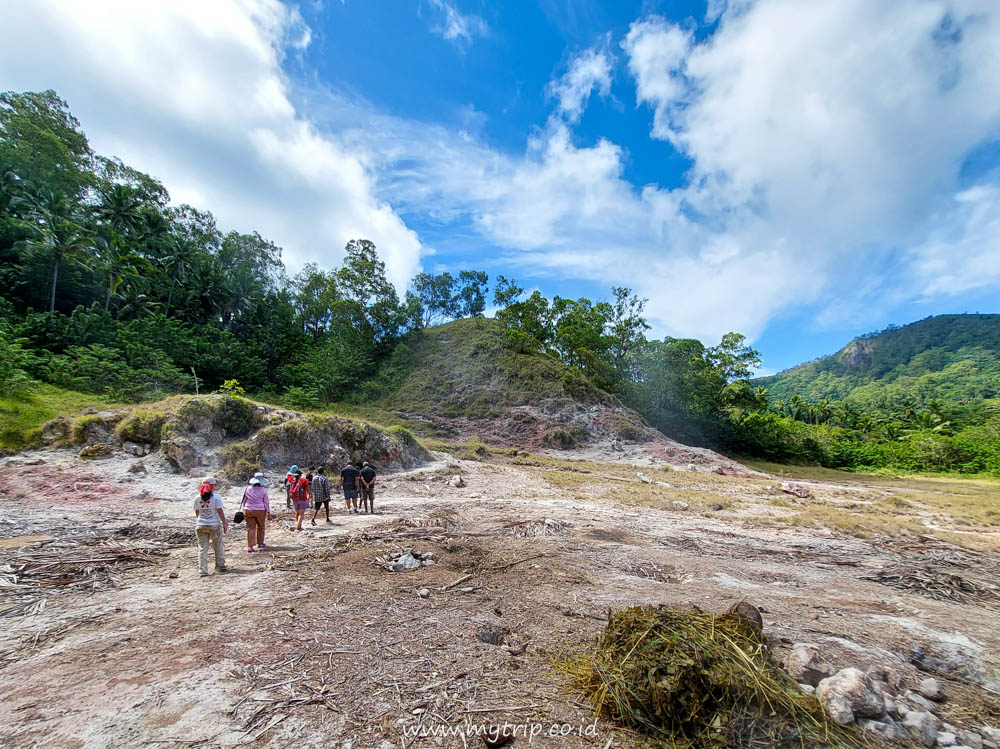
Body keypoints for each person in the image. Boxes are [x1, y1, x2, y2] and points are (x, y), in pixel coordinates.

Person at [194, 476, 227, 576]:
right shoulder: (216, 497)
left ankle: (203, 570)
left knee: (202, 548)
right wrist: (224, 522)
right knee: (217, 545)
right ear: (213, 486)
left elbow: (197, 512)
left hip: (200, 524)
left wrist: (201, 520)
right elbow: (220, 511)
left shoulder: (197, 497)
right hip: (214, 525)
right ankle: (220, 566)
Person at [240, 473, 271, 552]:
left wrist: (244, 509)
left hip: (248, 509)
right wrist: (268, 512)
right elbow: (266, 502)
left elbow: (244, 500)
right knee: (261, 527)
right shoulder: (264, 490)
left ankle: (250, 546)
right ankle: (260, 543)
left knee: (251, 528)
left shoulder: (247, 489)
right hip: (260, 510)